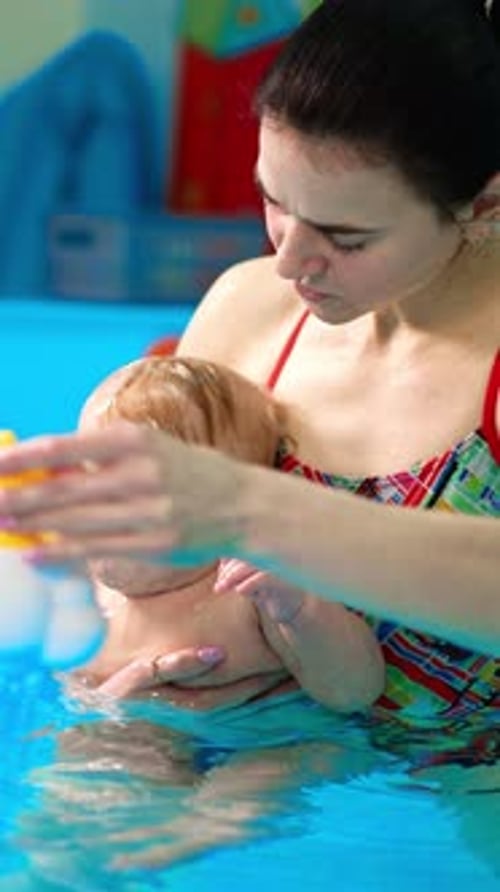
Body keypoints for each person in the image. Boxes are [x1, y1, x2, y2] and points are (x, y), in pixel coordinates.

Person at [0, 0, 498, 732]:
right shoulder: (248, 309)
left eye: (346, 237)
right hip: (237, 759)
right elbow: (144, 576)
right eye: (274, 200)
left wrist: (248, 508)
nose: (288, 261)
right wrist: (118, 683)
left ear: (484, 203)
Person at [77, 353, 384, 716]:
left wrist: (301, 608)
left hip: (267, 741)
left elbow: (353, 691)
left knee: (279, 766)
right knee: (80, 761)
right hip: (134, 730)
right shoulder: (84, 585)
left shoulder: (249, 589)